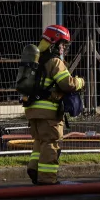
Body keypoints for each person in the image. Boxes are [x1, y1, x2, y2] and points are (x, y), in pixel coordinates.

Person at [25, 24, 85, 185]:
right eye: (62, 44)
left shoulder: (35, 60)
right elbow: (67, 84)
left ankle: (34, 167)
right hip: (48, 113)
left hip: (32, 111)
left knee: (40, 141)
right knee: (51, 143)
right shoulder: (55, 62)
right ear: (54, 42)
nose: (63, 48)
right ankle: (47, 179)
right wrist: (80, 82)